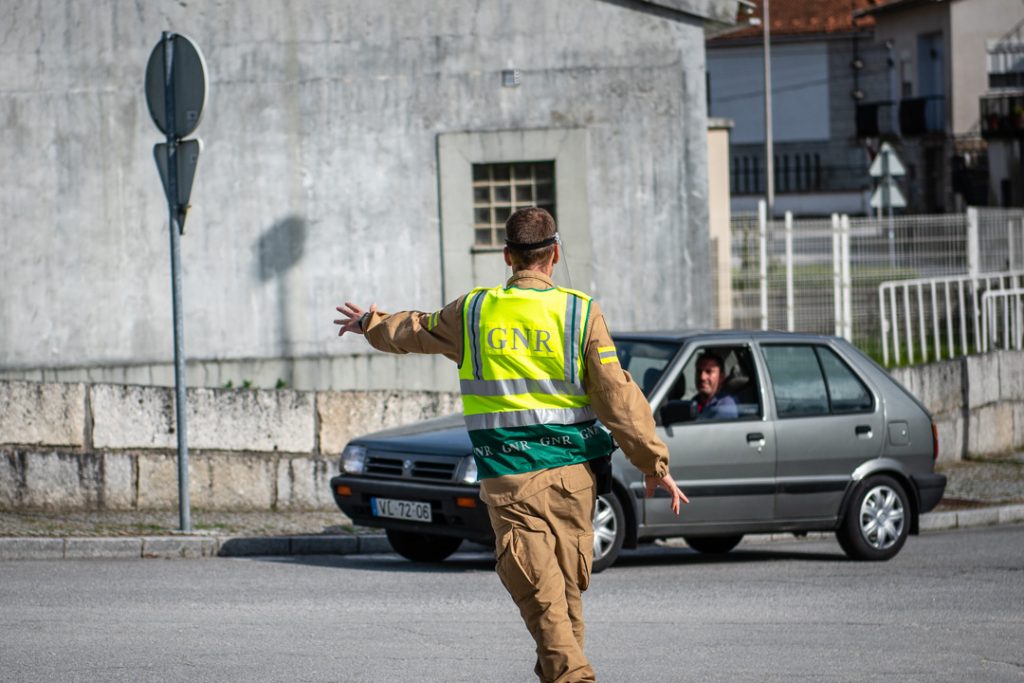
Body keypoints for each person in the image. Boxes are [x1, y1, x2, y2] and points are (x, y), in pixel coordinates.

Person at [334, 207, 687, 683]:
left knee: (547, 601)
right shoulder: (581, 312)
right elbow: (618, 395)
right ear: (554, 254)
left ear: (507, 256)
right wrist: (652, 461)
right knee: (559, 602)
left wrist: (369, 322)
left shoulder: (475, 310)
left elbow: (413, 329)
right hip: (574, 478)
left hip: (512, 477)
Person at [693, 351, 738, 420]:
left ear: (721, 377)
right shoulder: (695, 401)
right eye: (699, 371)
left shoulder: (726, 405)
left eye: (708, 372)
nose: (702, 377)